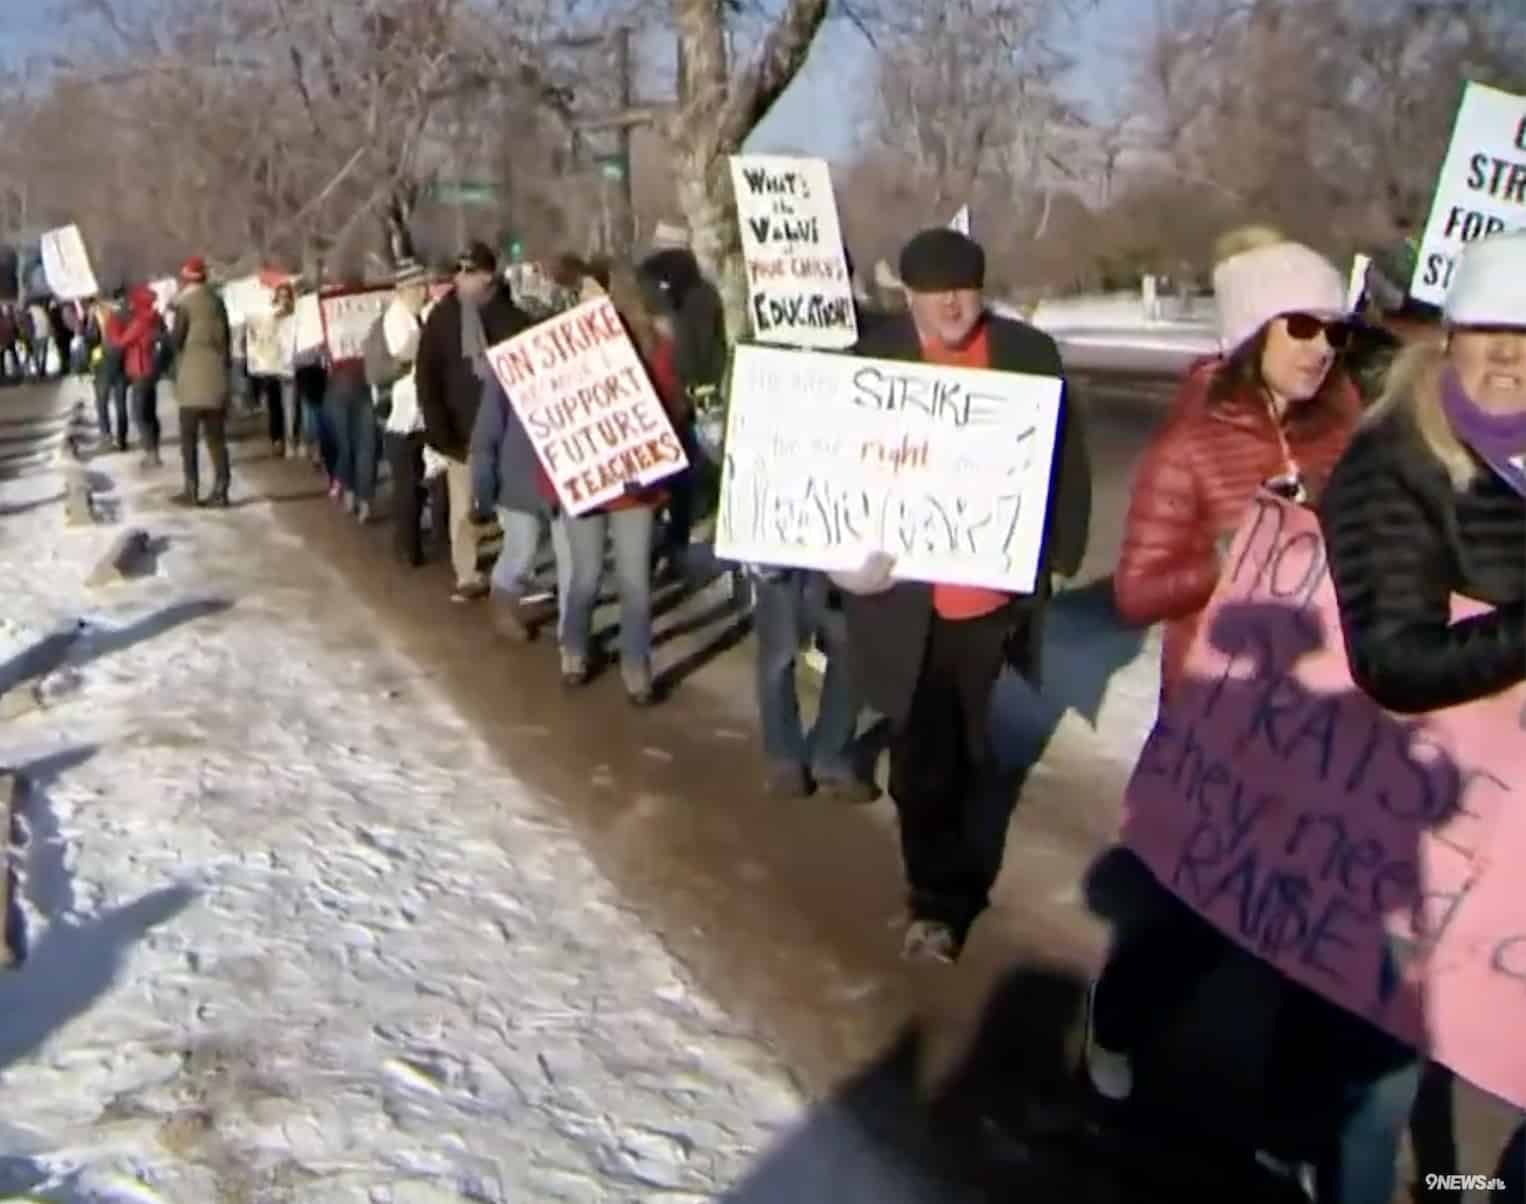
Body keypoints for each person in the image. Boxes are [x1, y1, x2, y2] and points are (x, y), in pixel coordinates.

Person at [1085, 231, 1362, 1104]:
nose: (1321, 348)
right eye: (1301, 327)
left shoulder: (1355, 439)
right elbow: (1135, 593)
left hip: (1324, 712)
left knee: (1308, 915)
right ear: (1252, 336)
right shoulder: (1190, 450)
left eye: (1334, 332)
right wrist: (1226, 553)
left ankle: (1287, 1119)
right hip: (1216, 714)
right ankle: (1119, 1021)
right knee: (1187, 910)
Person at [1313, 229, 1524, 1204]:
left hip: (1515, 839)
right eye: (1488, 329)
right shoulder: (1391, 463)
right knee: (1385, 1063)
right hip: (1419, 823)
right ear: (1446, 335)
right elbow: (1391, 661)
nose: (1509, 353)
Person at [832, 227, 1092, 963]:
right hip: (902, 596)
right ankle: (935, 901)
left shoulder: (1027, 355)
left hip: (987, 595)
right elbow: (834, 469)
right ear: (907, 295)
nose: (952, 304)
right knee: (920, 754)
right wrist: (841, 558)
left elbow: (1064, 459)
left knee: (968, 747)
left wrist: (1061, 552)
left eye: (965, 287)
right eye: (935, 290)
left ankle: (951, 870)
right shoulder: (872, 359)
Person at [548, 265, 686, 704]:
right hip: (584, 484)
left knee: (634, 582)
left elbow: (672, 408)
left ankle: (636, 668)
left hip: (634, 488)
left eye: (594, 292)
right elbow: (547, 417)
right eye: (584, 294)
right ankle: (574, 649)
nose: (587, 301)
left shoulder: (653, 349)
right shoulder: (564, 349)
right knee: (585, 575)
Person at [415, 241, 531, 602]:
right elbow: (427, 374)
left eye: (471, 271)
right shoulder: (444, 317)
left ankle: (511, 569)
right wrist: (438, 429)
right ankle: (467, 571)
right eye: (459, 271)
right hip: (459, 430)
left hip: (507, 431)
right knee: (463, 507)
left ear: (489, 275)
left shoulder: (510, 316)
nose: (463, 279)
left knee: (509, 506)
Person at [366, 260, 434, 563]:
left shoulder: (416, 317)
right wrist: (425, 337)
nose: (425, 292)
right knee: (407, 485)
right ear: (404, 289)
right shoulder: (397, 319)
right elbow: (402, 354)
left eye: (425, 286)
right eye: (418, 287)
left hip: (419, 413)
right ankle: (408, 547)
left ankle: (409, 540)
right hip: (401, 416)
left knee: (418, 484)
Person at [169, 255, 232, 506]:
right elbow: (226, 339)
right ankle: (221, 489)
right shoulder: (218, 303)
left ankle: (191, 489)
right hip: (216, 376)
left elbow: (176, 341)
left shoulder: (185, 306)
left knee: (189, 439)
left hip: (192, 379)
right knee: (217, 439)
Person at [107, 283, 169, 469]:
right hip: (152, 369)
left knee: (139, 413)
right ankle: (154, 450)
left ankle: (151, 452)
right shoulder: (156, 318)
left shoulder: (140, 322)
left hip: (139, 368)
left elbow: (121, 341)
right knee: (150, 412)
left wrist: (112, 324)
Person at [246, 280, 298, 458]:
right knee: (275, 405)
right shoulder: (267, 315)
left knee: (291, 405)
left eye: (286, 296)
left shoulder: (295, 316)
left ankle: (291, 438)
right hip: (271, 366)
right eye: (281, 296)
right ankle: (277, 439)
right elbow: (257, 336)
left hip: (290, 365)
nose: (283, 300)